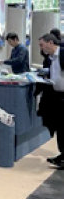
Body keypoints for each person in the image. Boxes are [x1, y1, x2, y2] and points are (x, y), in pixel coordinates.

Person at [37, 33, 64, 168]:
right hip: (56, 97)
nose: (41, 48)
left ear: (51, 43)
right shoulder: (50, 59)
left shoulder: (62, 54)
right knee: (59, 127)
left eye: (42, 45)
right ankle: (62, 156)